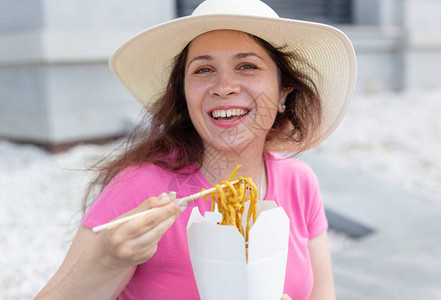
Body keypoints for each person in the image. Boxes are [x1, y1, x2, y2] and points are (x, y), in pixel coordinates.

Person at [36, 0, 356, 299]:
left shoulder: (300, 183)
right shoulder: (142, 187)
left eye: (247, 66)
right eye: (203, 70)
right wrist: (105, 260)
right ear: (185, 96)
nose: (224, 87)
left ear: (283, 93)